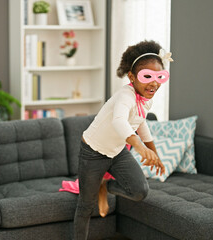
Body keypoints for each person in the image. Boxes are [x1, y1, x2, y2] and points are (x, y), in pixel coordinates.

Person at [73, 40, 171, 240]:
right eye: (147, 77)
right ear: (132, 77)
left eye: (159, 77)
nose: (153, 83)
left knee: (140, 191)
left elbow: (140, 122)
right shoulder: (125, 95)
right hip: (93, 152)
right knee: (86, 205)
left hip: (117, 152)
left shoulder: (147, 99)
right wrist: (141, 148)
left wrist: (155, 153)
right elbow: (119, 121)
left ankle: (105, 187)